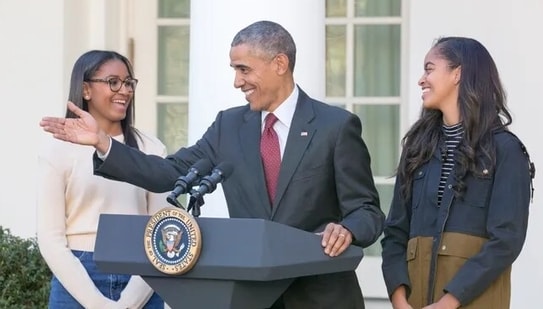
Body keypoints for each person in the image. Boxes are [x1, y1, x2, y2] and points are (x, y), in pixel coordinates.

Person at [39, 20, 385, 308]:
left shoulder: (335, 127)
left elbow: (367, 211)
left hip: (321, 297)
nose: (237, 81)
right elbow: (167, 173)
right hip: (252, 298)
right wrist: (103, 142)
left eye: (244, 69)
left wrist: (349, 229)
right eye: (235, 69)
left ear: (279, 64)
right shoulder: (229, 126)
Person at [381, 37, 535, 309]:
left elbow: (506, 241)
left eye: (429, 69)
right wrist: (399, 298)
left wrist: (448, 302)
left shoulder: (506, 151)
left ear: (458, 73)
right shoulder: (417, 149)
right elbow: (395, 233)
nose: (421, 79)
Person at [37, 50, 169, 308]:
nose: (124, 90)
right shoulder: (57, 150)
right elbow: (51, 239)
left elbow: (164, 233)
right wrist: (97, 304)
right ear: (86, 90)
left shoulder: (152, 149)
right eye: (113, 82)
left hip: (142, 274)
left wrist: (129, 302)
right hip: (77, 278)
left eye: (128, 83)